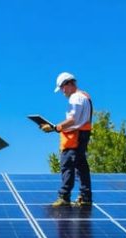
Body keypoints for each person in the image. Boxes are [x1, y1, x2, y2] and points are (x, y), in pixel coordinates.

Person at [40, 72, 93, 207]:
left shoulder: (75, 98)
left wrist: (56, 127)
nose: (62, 91)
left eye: (62, 88)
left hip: (74, 137)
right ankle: (85, 196)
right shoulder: (85, 96)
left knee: (67, 165)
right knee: (81, 166)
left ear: (69, 84)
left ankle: (64, 196)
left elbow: (72, 120)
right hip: (83, 135)